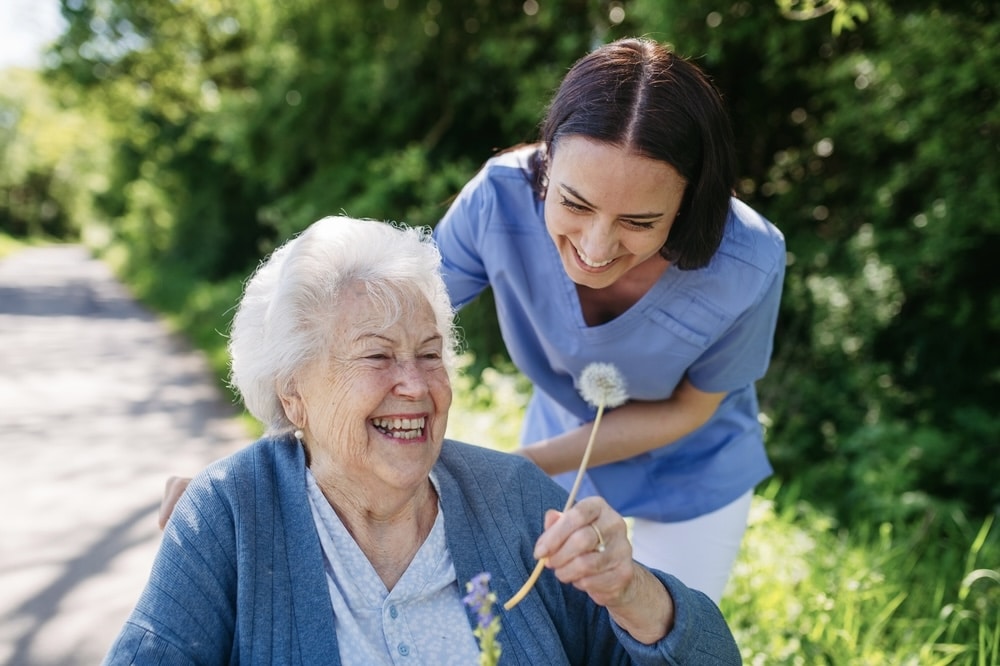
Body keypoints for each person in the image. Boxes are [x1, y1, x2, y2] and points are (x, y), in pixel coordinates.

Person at [107, 216, 741, 664]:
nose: (415, 384)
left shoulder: (518, 501)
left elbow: (714, 658)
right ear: (292, 392)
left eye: (430, 354)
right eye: (377, 356)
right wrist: (221, 505)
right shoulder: (228, 515)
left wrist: (631, 592)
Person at [430, 36, 786, 604]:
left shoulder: (750, 261)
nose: (596, 248)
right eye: (574, 204)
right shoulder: (495, 201)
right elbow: (406, 315)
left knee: (664, 636)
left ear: (690, 202)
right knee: (540, 624)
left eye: (639, 222)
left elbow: (690, 409)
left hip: (694, 466)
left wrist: (521, 466)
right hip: (563, 436)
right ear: (547, 159)